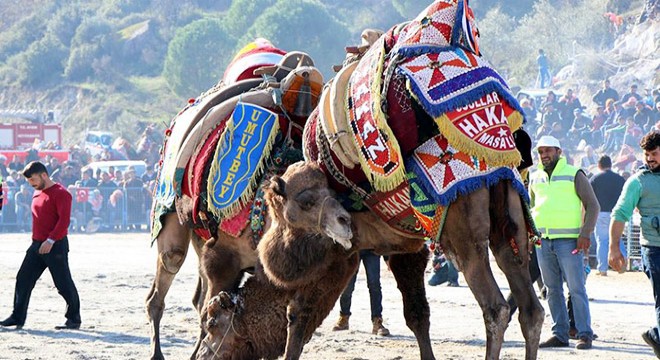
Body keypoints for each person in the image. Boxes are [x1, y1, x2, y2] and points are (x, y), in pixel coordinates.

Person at [529, 135, 599, 350]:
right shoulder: (535, 176)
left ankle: (584, 333)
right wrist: (532, 236)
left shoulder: (574, 174)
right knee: (552, 290)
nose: (544, 155)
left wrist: (585, 234)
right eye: (541, 151)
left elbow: (593, 205)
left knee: (576, 288)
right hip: (544, 241)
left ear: (559, 152)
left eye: (548, 150)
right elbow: (531, 208)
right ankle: (559, 333)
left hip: (570, 241)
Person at [0, 161, 81, 330]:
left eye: (33, 180)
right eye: (29, 181)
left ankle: (73, 319)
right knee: (23, 279)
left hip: (55, 245)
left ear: (44, 175)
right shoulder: (37, 193)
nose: (31, 184)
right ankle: (17, 317)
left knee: (63, 283)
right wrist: (39, 242)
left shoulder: (61, 193)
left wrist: (51, 240)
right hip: (36, 245)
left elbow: (63, 221)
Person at [608, 130, 660, 358]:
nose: (649, 159)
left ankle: (656, 335)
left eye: (655, 154)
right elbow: (620, 214)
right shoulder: (637, 182)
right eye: (647, 155)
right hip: (654, 248)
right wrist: (613, 247)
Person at [331, 250, 390, 336]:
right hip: (353, 249)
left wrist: (387, 257)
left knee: (374, 285)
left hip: (372, 249)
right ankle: (344, 317)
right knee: (347, 286)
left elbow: (384, 236)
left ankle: (377, 321)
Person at [589, 155, 626, 276]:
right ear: (610, 164)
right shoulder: (620, 179)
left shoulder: (595, 178)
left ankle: (602, 269)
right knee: (617, 239)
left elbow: (589, 197)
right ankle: (623, 265)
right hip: (617, 214)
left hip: (600, 214)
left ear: (599, 165)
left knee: (602, 241)